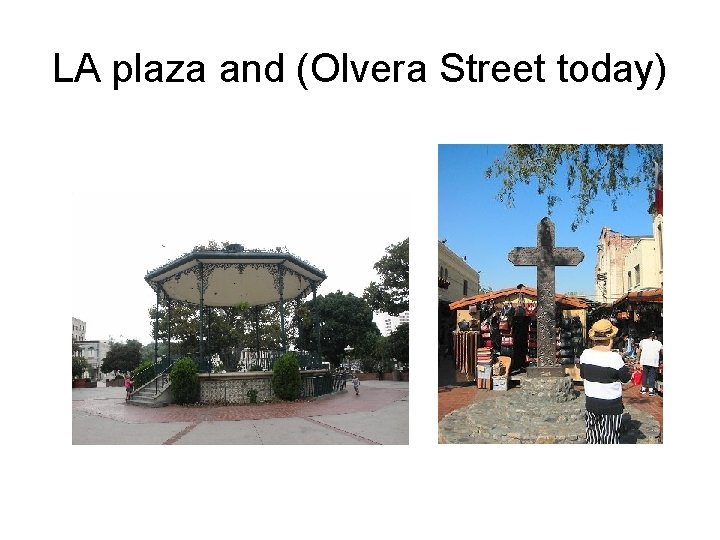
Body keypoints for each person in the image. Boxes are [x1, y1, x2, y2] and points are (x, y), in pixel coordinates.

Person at [580, 319, 631, 444]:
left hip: (591, 403)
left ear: (594, 339)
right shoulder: (615, 358)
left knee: (593, 436)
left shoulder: (585, 355)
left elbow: (583, 375)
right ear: (610, 339)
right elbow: (626, 379)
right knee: (609, 437)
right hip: (611, 406)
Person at [638, 330, 663, 396]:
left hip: (645, 360)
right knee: (652, 375)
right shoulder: (658, 343)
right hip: (654, 361)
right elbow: (662, 351)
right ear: (655, 336)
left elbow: (639, 350)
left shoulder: (643, 341)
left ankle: (643, 389)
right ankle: (651, 390)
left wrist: (638, 360)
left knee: (645, 374)